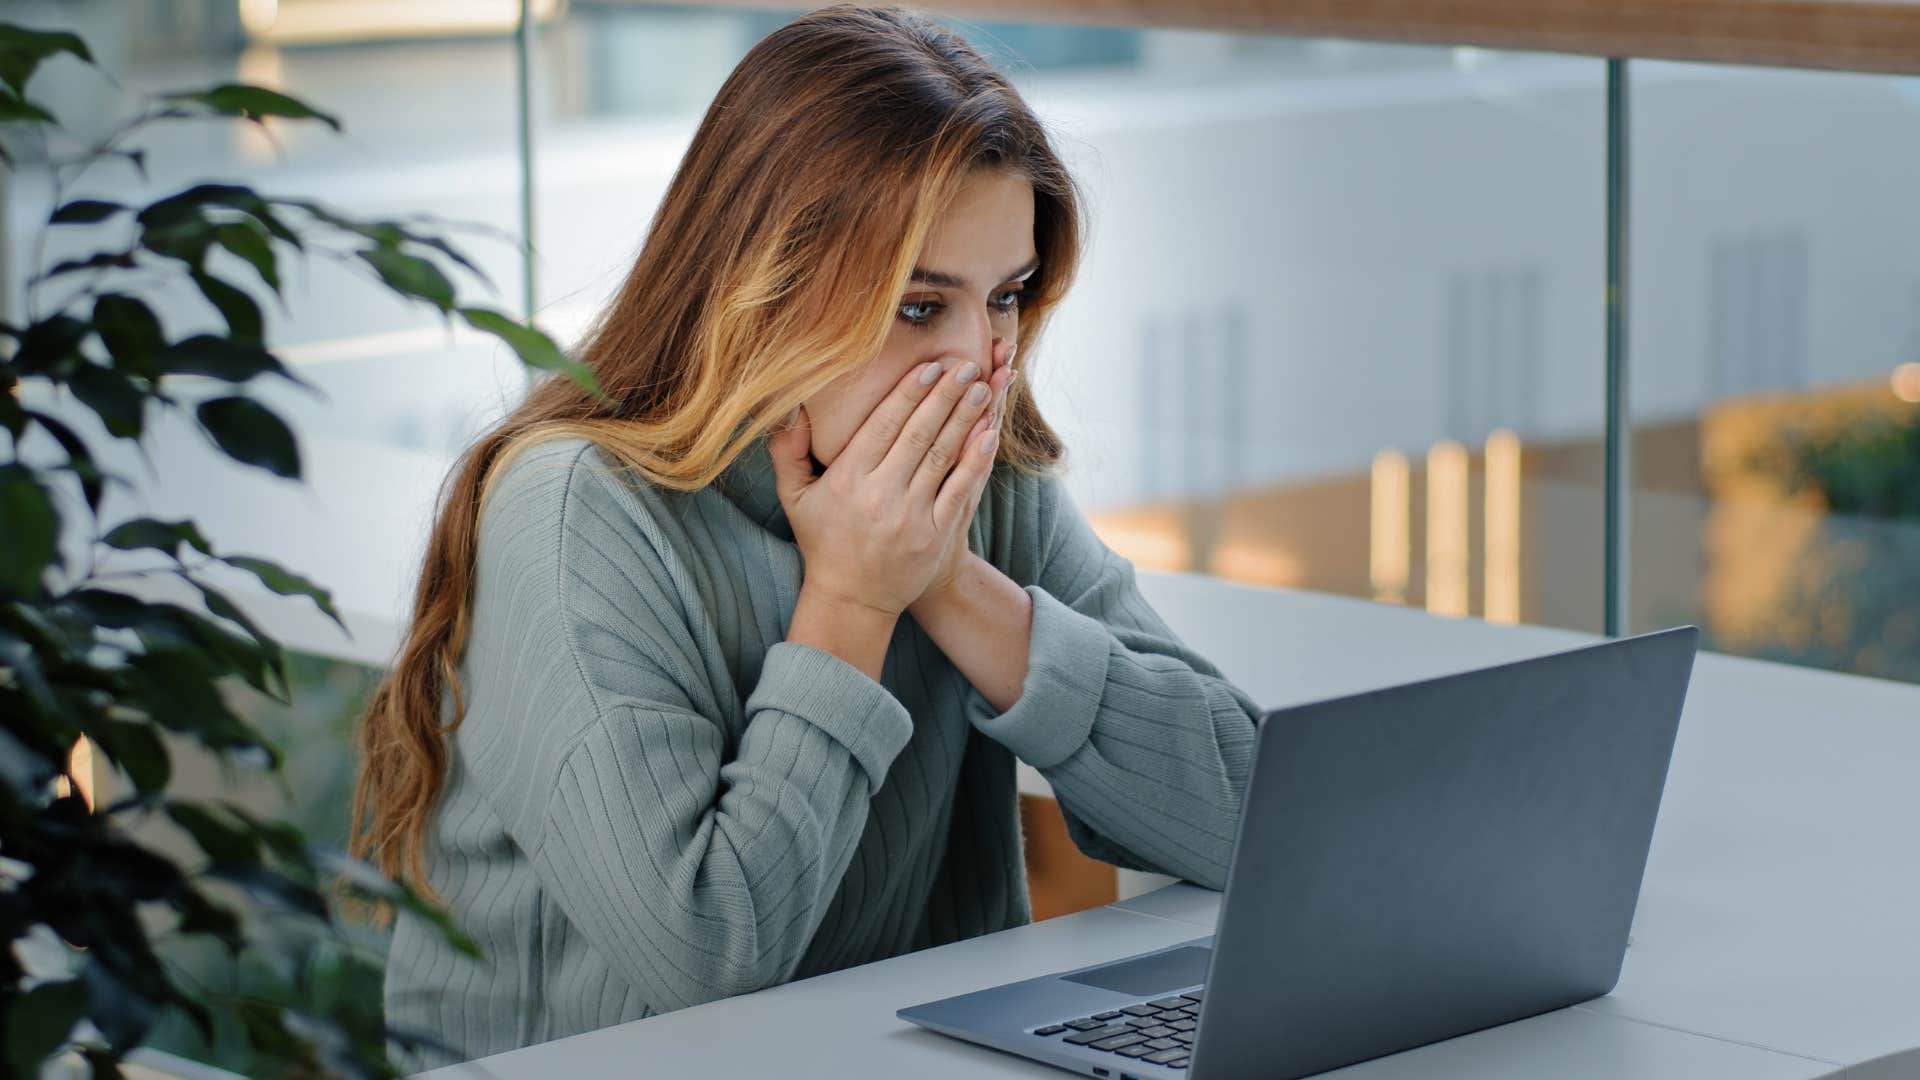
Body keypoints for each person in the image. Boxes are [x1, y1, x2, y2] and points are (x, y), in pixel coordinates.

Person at [350, 4, 1260, 1067]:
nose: (981, 363)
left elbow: (1250, 824)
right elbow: (706, 958)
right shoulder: (574, 513)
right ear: (765, 291)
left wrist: (948, 582)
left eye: (1004, 297)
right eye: (921, 308)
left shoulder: (979, 482)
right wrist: (853, 602)